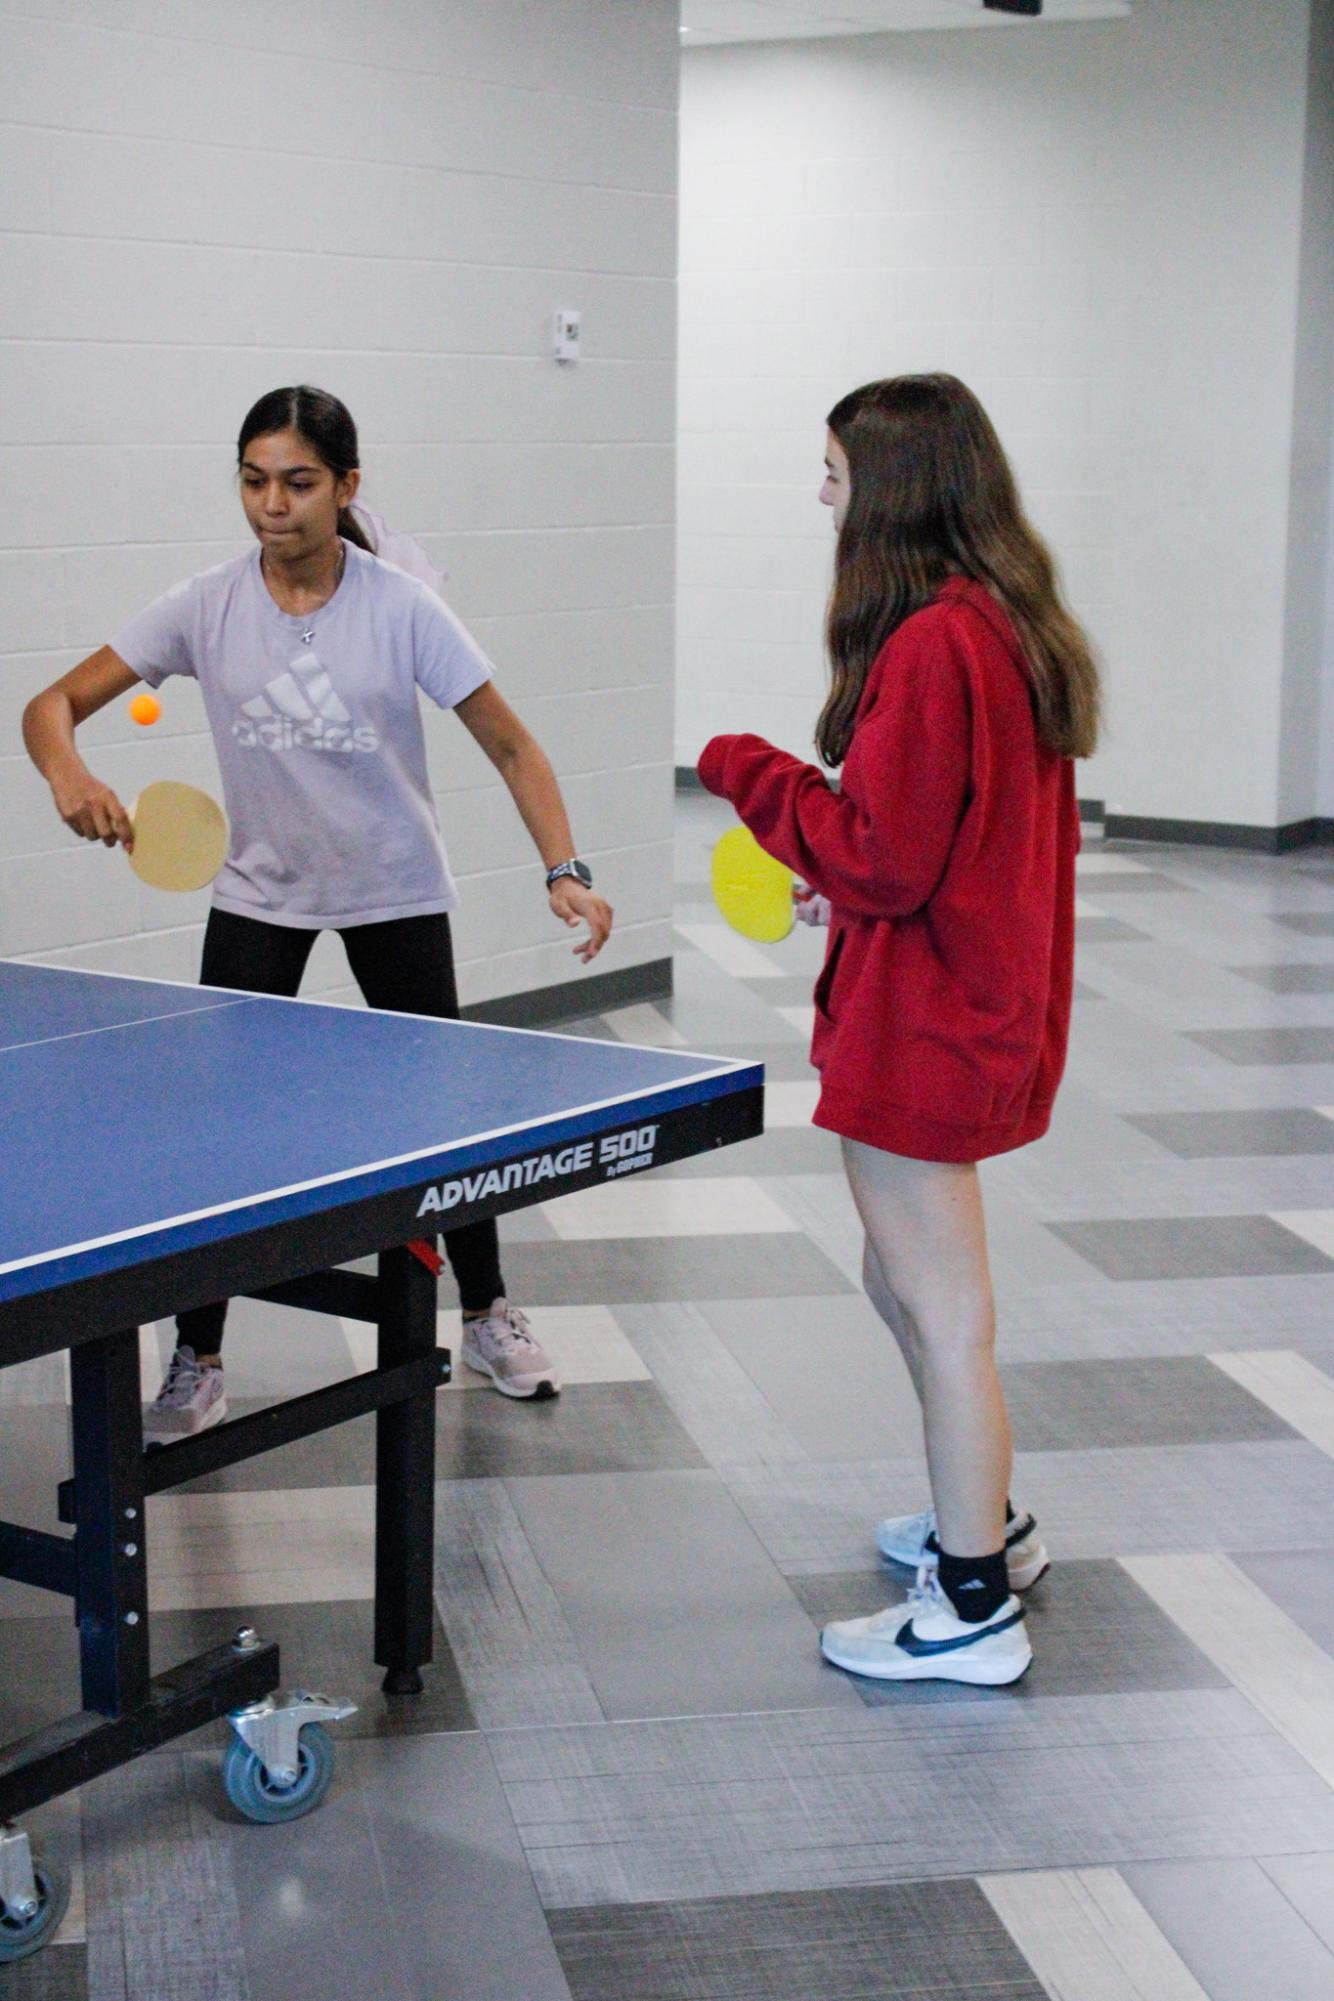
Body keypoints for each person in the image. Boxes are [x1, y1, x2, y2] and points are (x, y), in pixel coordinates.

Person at [23, 385, 613, 1437]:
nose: (271, 505)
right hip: (260, 894)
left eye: (298, 483)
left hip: (393, 887)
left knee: (443, 1124)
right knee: (220, 1134)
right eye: (253, 481)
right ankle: (197, 1358)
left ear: (345, 488)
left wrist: (561, 867)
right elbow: (50, 705)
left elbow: (512, 743)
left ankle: (483, 1313)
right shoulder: (204, 604)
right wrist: (67, 769)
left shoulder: (402, 609)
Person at [698, 374, 1100, 1687]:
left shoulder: (933, 643)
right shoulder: (999, 624)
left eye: (831, 472)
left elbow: (881, 856)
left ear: (889, 488)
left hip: (927, 1033)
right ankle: (979, 1517)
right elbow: (937, 845)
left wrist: (748, 771)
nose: (819, 495)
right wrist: (856, 868)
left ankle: (970, 1598)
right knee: (912, 1291)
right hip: (962, 1003)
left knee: (941, 1315)